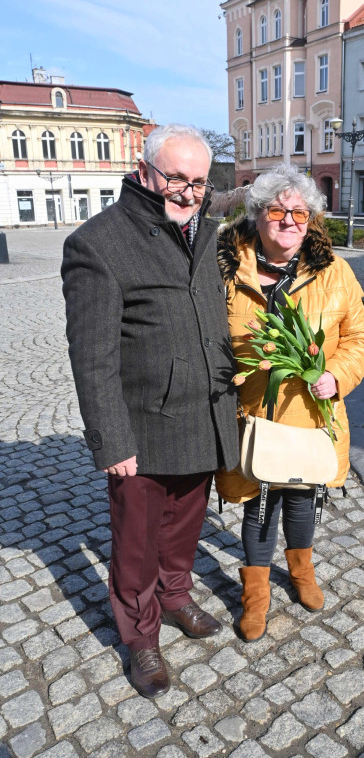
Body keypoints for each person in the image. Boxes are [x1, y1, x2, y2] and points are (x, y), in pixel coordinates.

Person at [62, 124, 239, 698]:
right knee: (136, 543)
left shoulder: (208, 232)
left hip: (201, 417)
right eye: (176, 178)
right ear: (144, 172)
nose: (188, 192)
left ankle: (177, 596)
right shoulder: (99, 243)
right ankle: (140, 637)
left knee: (185, 526)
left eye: (198, 182)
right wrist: (112, 442)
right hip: (141, 423)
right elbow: (91, 357)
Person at [216, 165, 364, 642]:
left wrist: (336, 375)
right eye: (277, 210)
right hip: (252, 413)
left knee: (305, 498)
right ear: (257, 214)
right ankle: (256, 595)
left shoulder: (334, 270)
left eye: (300, 212)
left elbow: (362, 336)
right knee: (259, 504)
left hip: (312, 414)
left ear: (311, 219)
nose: (289, 221)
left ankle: (303, 572)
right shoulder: (226, 269)